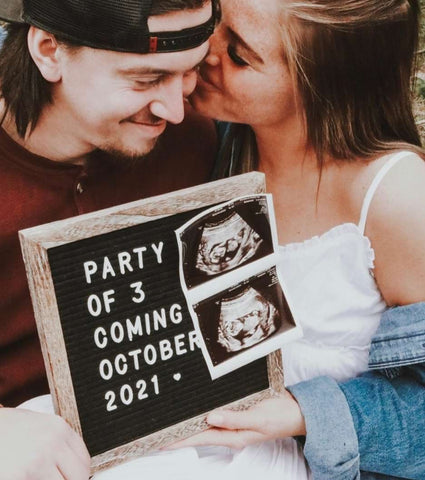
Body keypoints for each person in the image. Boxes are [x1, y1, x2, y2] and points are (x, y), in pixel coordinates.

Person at [172, 0, 425, 478]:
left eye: (240, 54)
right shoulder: (208, 143)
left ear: (322, 85)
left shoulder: (395, 197)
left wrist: (305, 412)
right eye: (216, 20)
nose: (206, 51)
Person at [0, 0, 217, 478]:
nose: (175, 110)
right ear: (49, 50)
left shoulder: (193, 144)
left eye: (190, 73)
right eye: (144, 80)